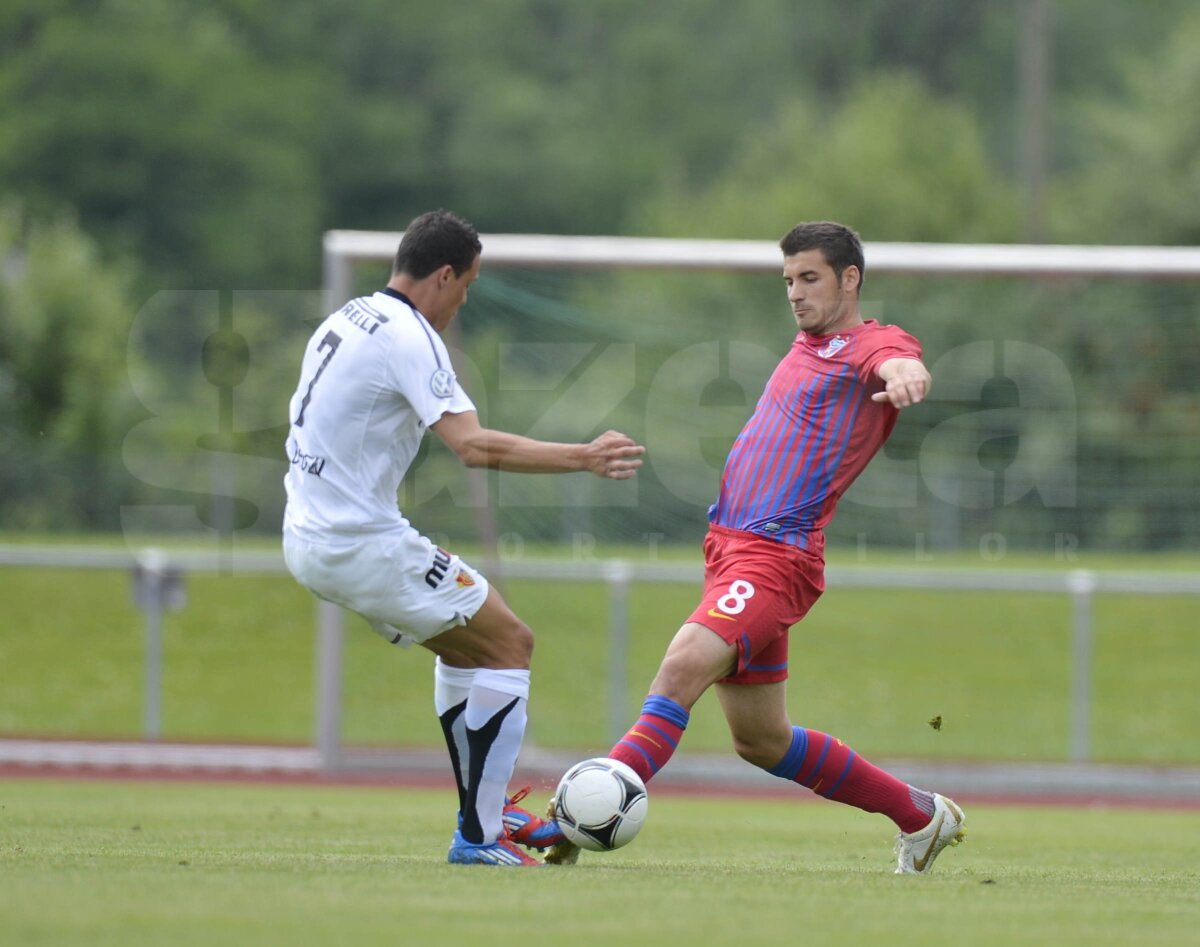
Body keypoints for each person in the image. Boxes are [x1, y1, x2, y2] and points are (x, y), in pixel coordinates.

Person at [546, 220, 966, 874]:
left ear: (849, 278)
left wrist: (908, 373)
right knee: (762, 740)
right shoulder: (810, 342)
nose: (795, 293)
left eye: (810, 278)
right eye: (788, 281)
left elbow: (895, 354)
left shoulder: (866, 343)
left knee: (683, 665)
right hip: (731, 551)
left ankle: (574, 820)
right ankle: (921, 814)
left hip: (775, 558)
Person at [282, 209, 644, 867]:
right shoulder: (408, 334)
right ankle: (478, 834)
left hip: (308, 533)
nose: (465, 300)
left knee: (471, 649)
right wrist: (583, 456)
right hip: (358, 541)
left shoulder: (346, 317)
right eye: (468, 285)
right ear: (443, 275)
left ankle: (486, 807)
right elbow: (472, 445)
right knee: (511, 642)